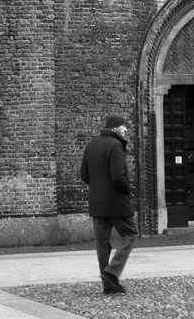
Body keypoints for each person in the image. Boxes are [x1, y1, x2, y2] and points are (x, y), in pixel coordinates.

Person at [80, 114, 137, 295]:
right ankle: (112, 272)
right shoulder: (115, 145)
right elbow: (118, 177)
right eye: (123, 126)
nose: (125, 129)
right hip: (117, 203)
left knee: (102, 243)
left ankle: (108, 285)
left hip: (97, 203)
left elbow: (84, 175)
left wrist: (99, 188)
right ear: (114, 128)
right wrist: (129, 191)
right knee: (131, 234)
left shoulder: (91, 145)